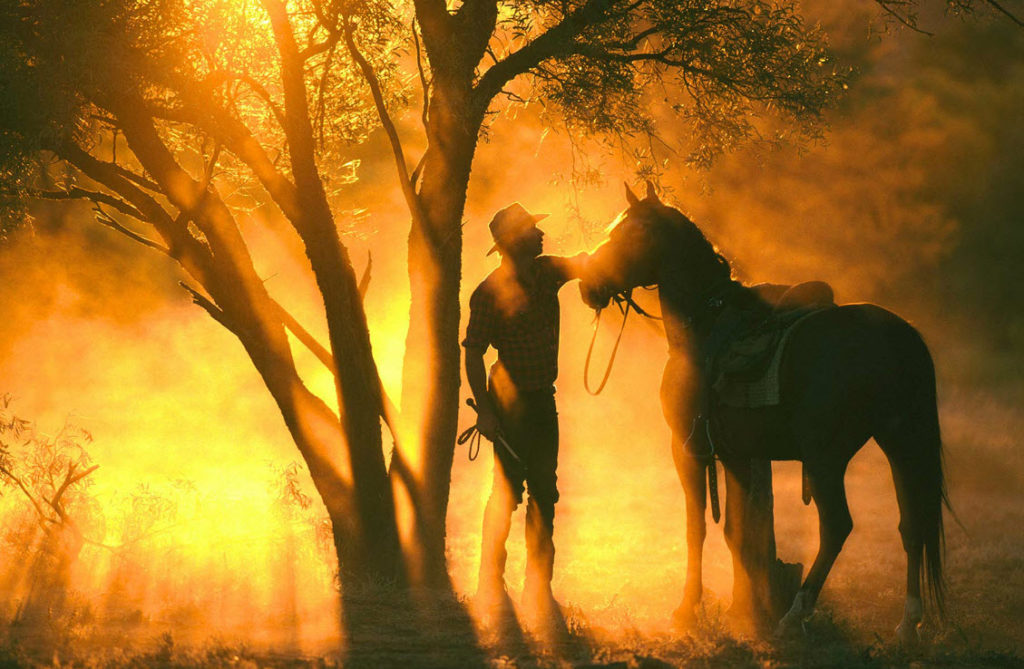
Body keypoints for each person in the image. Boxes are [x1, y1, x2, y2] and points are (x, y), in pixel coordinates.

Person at [463, 202, 585, 623]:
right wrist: (485, 411)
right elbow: (474, 352)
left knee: (544, 494)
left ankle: (539, 586)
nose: (540, 234)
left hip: (540, 401)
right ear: (515, 242)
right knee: (508, 495)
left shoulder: (548, 272)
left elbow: (588, 266)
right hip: (510, 406)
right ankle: (491, 582)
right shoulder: (489, 293)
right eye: (532, 230)